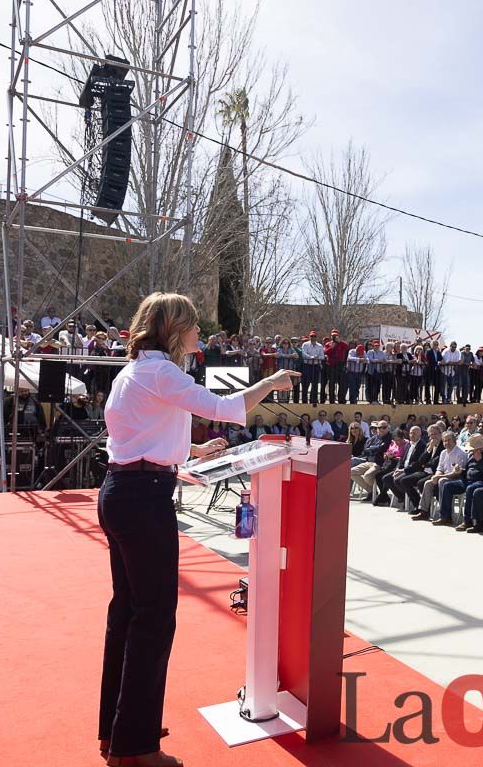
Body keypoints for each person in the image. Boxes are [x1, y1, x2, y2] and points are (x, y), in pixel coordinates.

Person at [97, 292, 297, 767]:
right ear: (172, 329)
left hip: (122, 491)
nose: (199, 334)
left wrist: (190, 453)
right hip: (144, 501)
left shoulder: (135, 372)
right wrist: (269, 381)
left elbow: (140, 436)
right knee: (153, 620)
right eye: (192, 326)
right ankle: (137, 746)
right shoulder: (163, 372)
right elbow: (224, 407)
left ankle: (117, 731)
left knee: (126, 615)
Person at [450, 435, 483, 531]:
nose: (472, 451)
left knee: (471, 489)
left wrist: (479, 461)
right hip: (468, 480)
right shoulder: (471, 456)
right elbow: (467, 470)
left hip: (482, 481)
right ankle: (445, 516)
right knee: (447, 485)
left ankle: (468, 521)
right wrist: (460, 472)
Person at [420, 430, 466, 523]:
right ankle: (424, 511)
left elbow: (456, 473)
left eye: (449, 440)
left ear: (455, 441)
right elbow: (440, 468)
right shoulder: (443, 453)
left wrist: (439, 477)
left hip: (457, 479)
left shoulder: (460, 453)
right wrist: (436, 476)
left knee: (442, 481)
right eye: (445, 441)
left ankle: (445, 516)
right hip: (444, 476)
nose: (446, 443)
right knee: (428, 483)